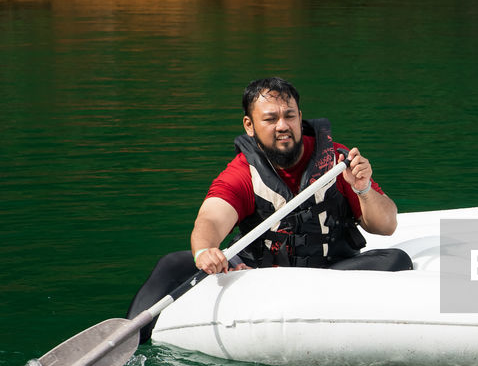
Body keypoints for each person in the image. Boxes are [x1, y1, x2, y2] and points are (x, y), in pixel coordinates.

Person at [127, 77, 411, 341]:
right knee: (173, 264)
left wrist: (363, 188)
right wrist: (206, 250)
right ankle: (128, 340)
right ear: (249, 126)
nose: (282, 126)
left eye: (289, 115)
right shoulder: (241, 173)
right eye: (270, 119)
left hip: (329, 273)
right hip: (259, 276)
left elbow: (386, 226)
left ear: (300, 117)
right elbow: (211, 219)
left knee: (396, 260)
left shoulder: (337, 160)